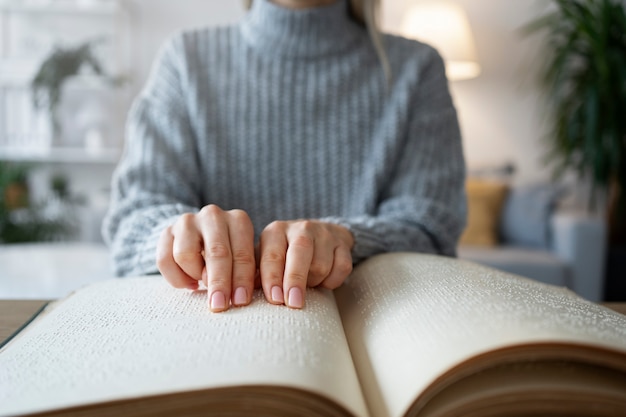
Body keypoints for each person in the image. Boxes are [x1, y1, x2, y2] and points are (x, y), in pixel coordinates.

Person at [102, 0, 467, 312]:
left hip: (373, 319)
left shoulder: (417, 68)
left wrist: (349, 238)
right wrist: (176, 235)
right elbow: (133, 219)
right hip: (206, 327)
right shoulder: (185, 60)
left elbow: (431, 230)